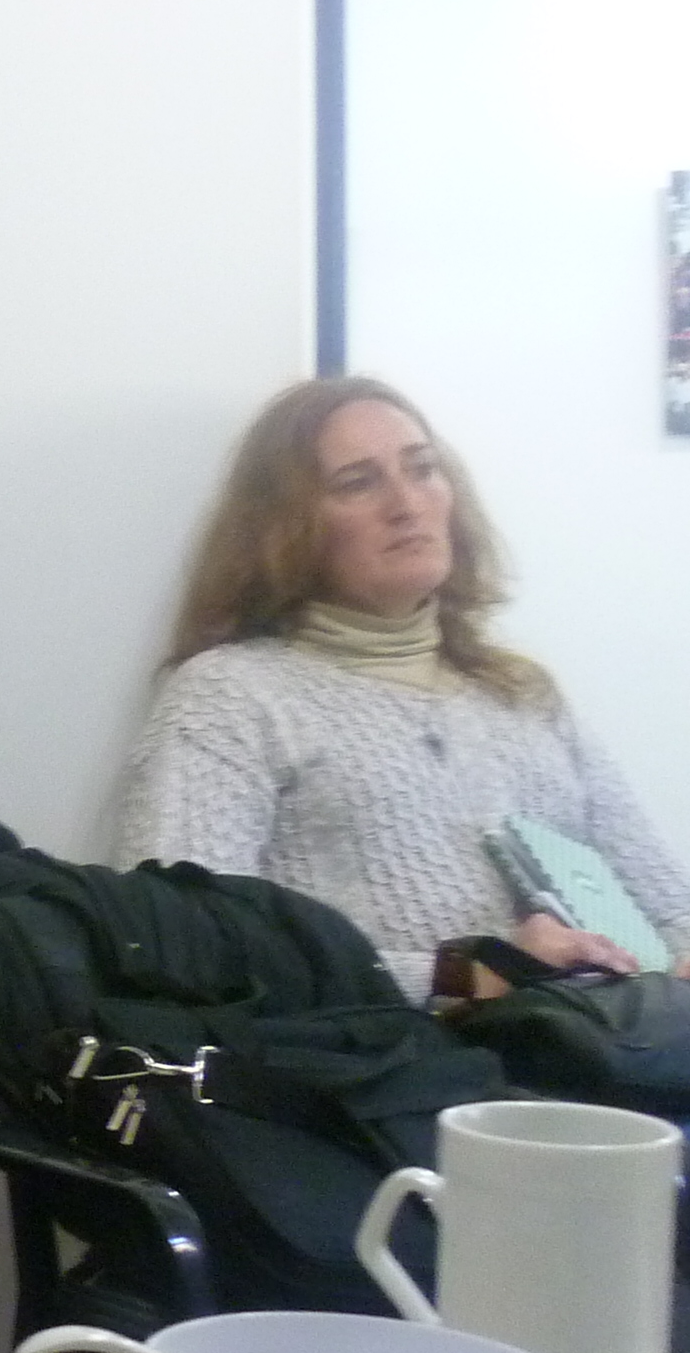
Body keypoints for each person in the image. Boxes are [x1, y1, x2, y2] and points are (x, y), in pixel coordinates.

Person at [115, 375, 690, 1002]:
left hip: (599, 1046)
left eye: (422, 469)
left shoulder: (523, 694)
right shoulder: (231, 696)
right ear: (285, 525)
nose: (407, 503)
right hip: (382, 1056)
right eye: (358, 483)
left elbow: (668, 907)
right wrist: (466, 975)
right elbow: (183, 943)